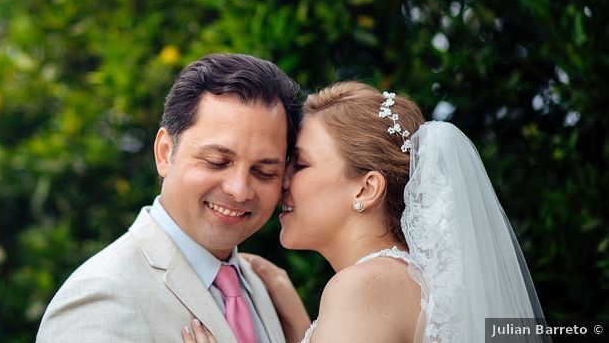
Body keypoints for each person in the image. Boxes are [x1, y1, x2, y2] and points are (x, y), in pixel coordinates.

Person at [181, 82, 546, 343]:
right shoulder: (403, 281)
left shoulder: (363, 287)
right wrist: (294, 315)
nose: (282, 181)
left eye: (301, 165)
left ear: (366, 188)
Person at [37, 53, 301, 342]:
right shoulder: (100, 298)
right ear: (165, 152)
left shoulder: (260, 286)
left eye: (264, 171)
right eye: (216, 161)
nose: (239, 190)